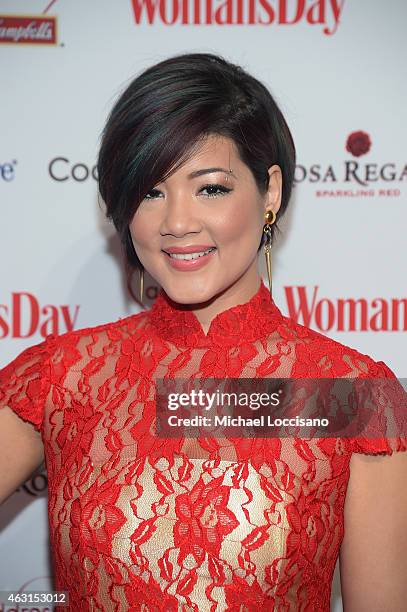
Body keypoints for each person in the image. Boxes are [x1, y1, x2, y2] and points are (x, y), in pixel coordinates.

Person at [0, 52, 406, 612]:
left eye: (210, 188)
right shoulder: (66, 374)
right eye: (150, 191)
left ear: (269, 193)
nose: (176, 222)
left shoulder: (349, 394)